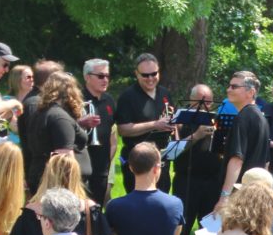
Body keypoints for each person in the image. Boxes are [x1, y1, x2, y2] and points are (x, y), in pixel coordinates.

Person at [170, 84, 218, 235]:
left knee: (208, 219)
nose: (203, 106)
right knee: (185, 217)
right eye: (198, 102)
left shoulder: (218, 120)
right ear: (190, 101)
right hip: (186, 177)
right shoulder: (180, 120)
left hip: (212, 178)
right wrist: (196, 135)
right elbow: (174, 150)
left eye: (207, 102)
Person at [114, 53, 174, 193]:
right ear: (137, 74)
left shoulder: (164, 93)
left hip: (162, 159)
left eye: (154, 74)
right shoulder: (128, 96)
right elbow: (123, 129)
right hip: (138, 161)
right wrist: (154, 125)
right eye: (145, 75)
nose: (150, 78)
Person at [25, 71, 91, 199]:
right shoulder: (60, 118)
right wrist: (73, 191)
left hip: (42, 178)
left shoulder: (40, 113)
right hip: (59, 187)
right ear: (70, 91)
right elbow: (64, 159)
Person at [213, 71, 270, 213]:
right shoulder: (260, 117)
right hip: (253, 193)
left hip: (238, 194)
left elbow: (237, 159)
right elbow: (266, 162)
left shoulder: (243, 117)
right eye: (229, 86)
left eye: (234, 87)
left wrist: (225, 197)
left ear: (250, 92)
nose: (228, 90)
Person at [18, 60, 65, 186]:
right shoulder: (35, 104)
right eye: (61, 78)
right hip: (42, 171)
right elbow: (37, 140)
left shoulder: (43, 101)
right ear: (51, 81)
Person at [81, 58, 117, 203]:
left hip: (101, 169)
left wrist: (107, 163)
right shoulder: (77, 99)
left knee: (97, 210)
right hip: (82, 166)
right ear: (87, 77)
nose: (105, 80)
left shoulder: (109, 100)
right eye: (101, 76)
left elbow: (113, 136)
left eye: (107, 76)